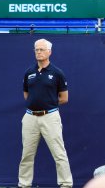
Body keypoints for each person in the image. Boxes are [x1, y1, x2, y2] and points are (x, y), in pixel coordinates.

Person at [18, 39, 73, 188]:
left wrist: (47, 105)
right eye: (36, 49)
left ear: (50, 52)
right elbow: (26, 95)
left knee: (59, 154)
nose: (38, 52)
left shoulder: (57, 73)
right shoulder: (29, 72)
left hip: (50, 117)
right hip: (30, 117)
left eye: (42, 49)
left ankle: (66, 184)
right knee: (26, 155)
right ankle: (24, 184)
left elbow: (64, 98)